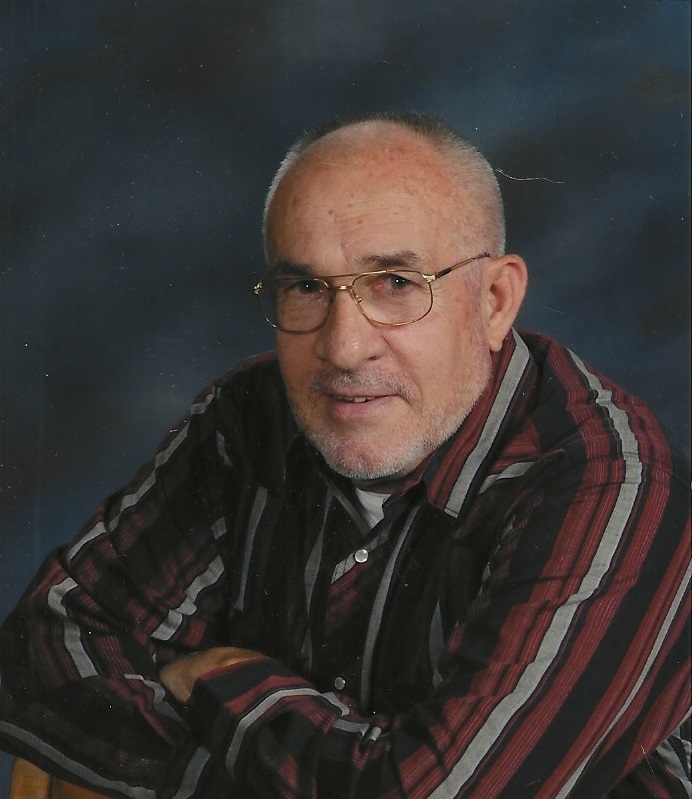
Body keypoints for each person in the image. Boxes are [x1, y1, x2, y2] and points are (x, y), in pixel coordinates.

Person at [0, 111, 689, 799]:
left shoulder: (614, 486)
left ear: (495, 301)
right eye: (306, 288)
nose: (343, 347)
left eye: (395, 284)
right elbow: (46, 644)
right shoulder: (248, 420)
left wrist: (220, 680)